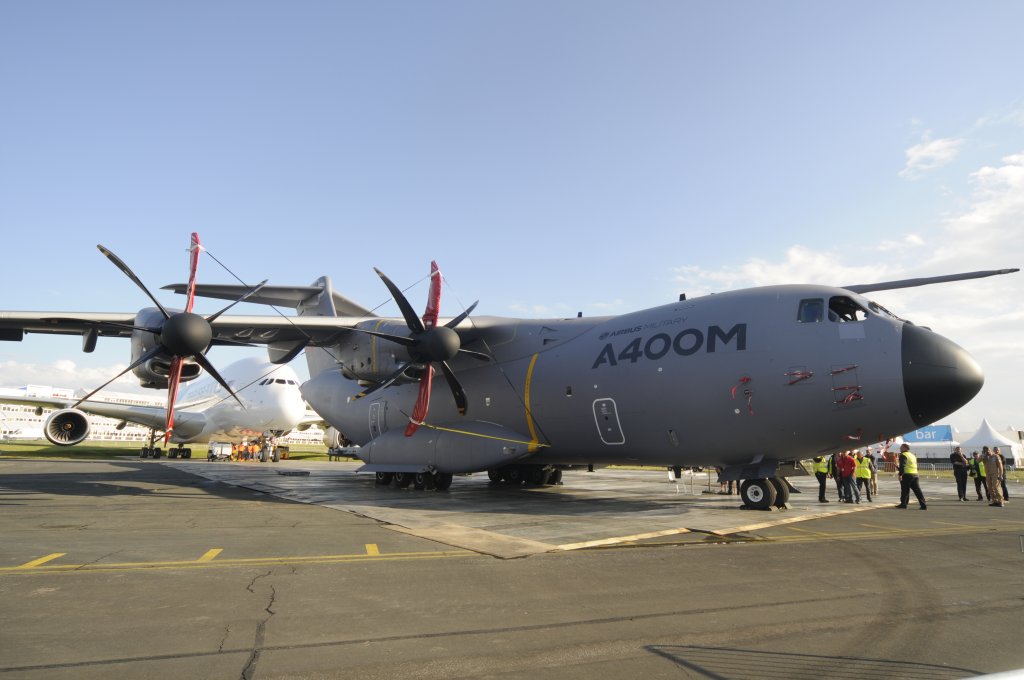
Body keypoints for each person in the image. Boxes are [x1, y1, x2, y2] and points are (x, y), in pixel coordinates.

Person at [896, 443, 927, 510]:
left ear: (905, 448)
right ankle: (923, 505)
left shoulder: (903, 455)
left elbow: (903, 466)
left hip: (907, 475)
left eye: (901, 447)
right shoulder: (912, 455)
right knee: (917, 491)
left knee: (905, 490)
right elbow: (909, 465)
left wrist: (900, 474)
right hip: (915, 474)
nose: (900, 449)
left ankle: (903, 504)